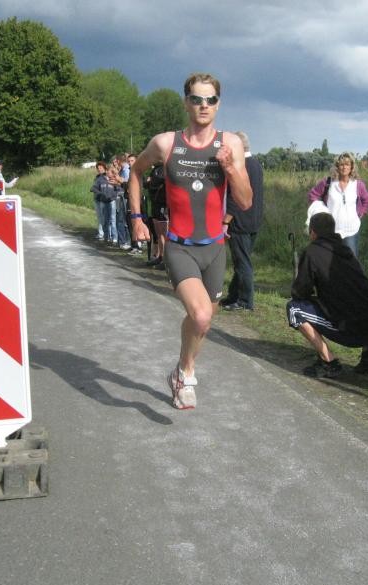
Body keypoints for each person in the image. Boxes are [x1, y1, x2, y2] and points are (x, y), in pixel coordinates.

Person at [128, 72, 252, 410]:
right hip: (180, 245)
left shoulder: (230, 144)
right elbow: (136, 172)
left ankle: (183, 370)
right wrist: (137, 218)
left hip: (215, 248)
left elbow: (245, 202)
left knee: (204, 320)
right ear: (186, 103)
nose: (203, 105)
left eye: (210, 100)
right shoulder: (166, 143)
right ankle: (187, 376)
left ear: (218, 105)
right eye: (196, 99)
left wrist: (231, 168)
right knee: (199, 315)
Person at [286, 212, 368, 378]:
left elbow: (300, 291)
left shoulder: (312, 251)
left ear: (313, 232)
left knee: (294, 309)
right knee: (354, 299)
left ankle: (329, 362)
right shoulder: (345, 250)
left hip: (349, 328)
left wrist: (308, 294)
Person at [221, 131, 264, 311]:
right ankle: (234, 295)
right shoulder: (256, 164)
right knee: (242, 260)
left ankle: (245, 301)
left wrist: (225, 221)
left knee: (242, 263)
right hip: (254, 220)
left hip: (240, 221)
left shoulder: (241, 166)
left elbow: (234, 197)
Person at [307, 152, 368, 257]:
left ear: (351, 167)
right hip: (330, 230)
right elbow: (312, 195)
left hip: (351, 230)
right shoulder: (328, 182)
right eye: (341, 164)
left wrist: (361, 213)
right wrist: (321, 210)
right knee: (330, 260)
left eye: (347, 164)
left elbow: (367, 199)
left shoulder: (358, 184)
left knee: (350, 260)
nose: (344, 167)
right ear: (337, 166)